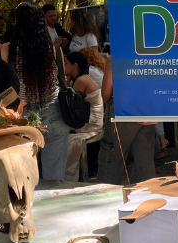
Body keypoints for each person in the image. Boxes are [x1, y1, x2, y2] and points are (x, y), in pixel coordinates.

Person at [2, 2, 71, 181]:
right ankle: (54, 208)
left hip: (24, 116)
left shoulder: (8, 50)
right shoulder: (53, 49)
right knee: (55, 177)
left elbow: (8, 87)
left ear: (17, 23)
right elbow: (62, 80)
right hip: (55, 111)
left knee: (24, 176)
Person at [96, 55, 156, 185]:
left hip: (123, 109)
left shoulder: (117, 55)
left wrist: (109, 107)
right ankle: (146, 197)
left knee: (111, 158)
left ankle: (107, 197)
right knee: (144, 161)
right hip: (149, 110)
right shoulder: (156, 55)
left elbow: (106, 92)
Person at [63, 52, 103, 181]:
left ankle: (69, 175)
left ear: (75, 65)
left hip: (91, 121)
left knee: (64, 135)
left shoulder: (81, 80)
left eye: (66, 63)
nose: (63, 65)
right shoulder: (81, 78)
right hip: (93, 118)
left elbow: (70, 106)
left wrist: (66, 83)